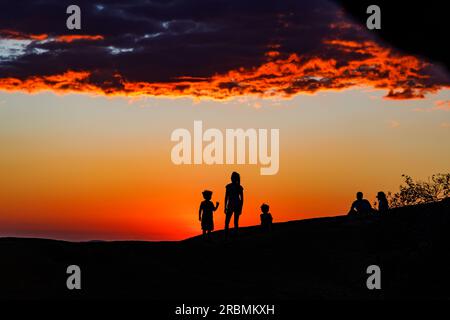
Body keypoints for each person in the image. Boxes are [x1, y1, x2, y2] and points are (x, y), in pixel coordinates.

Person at [224, 172, 244, 237]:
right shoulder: (228, 186)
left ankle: (235, 233)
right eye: (231, 177)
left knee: (235, 221)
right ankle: (227, 233)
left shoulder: (239, 187)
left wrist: (241, 207)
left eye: (233, 177)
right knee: (227, 221)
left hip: (236, 205)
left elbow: (242, 198)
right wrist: (225, 207)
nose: (232, 178)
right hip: (230, 205)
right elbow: (226, 197)